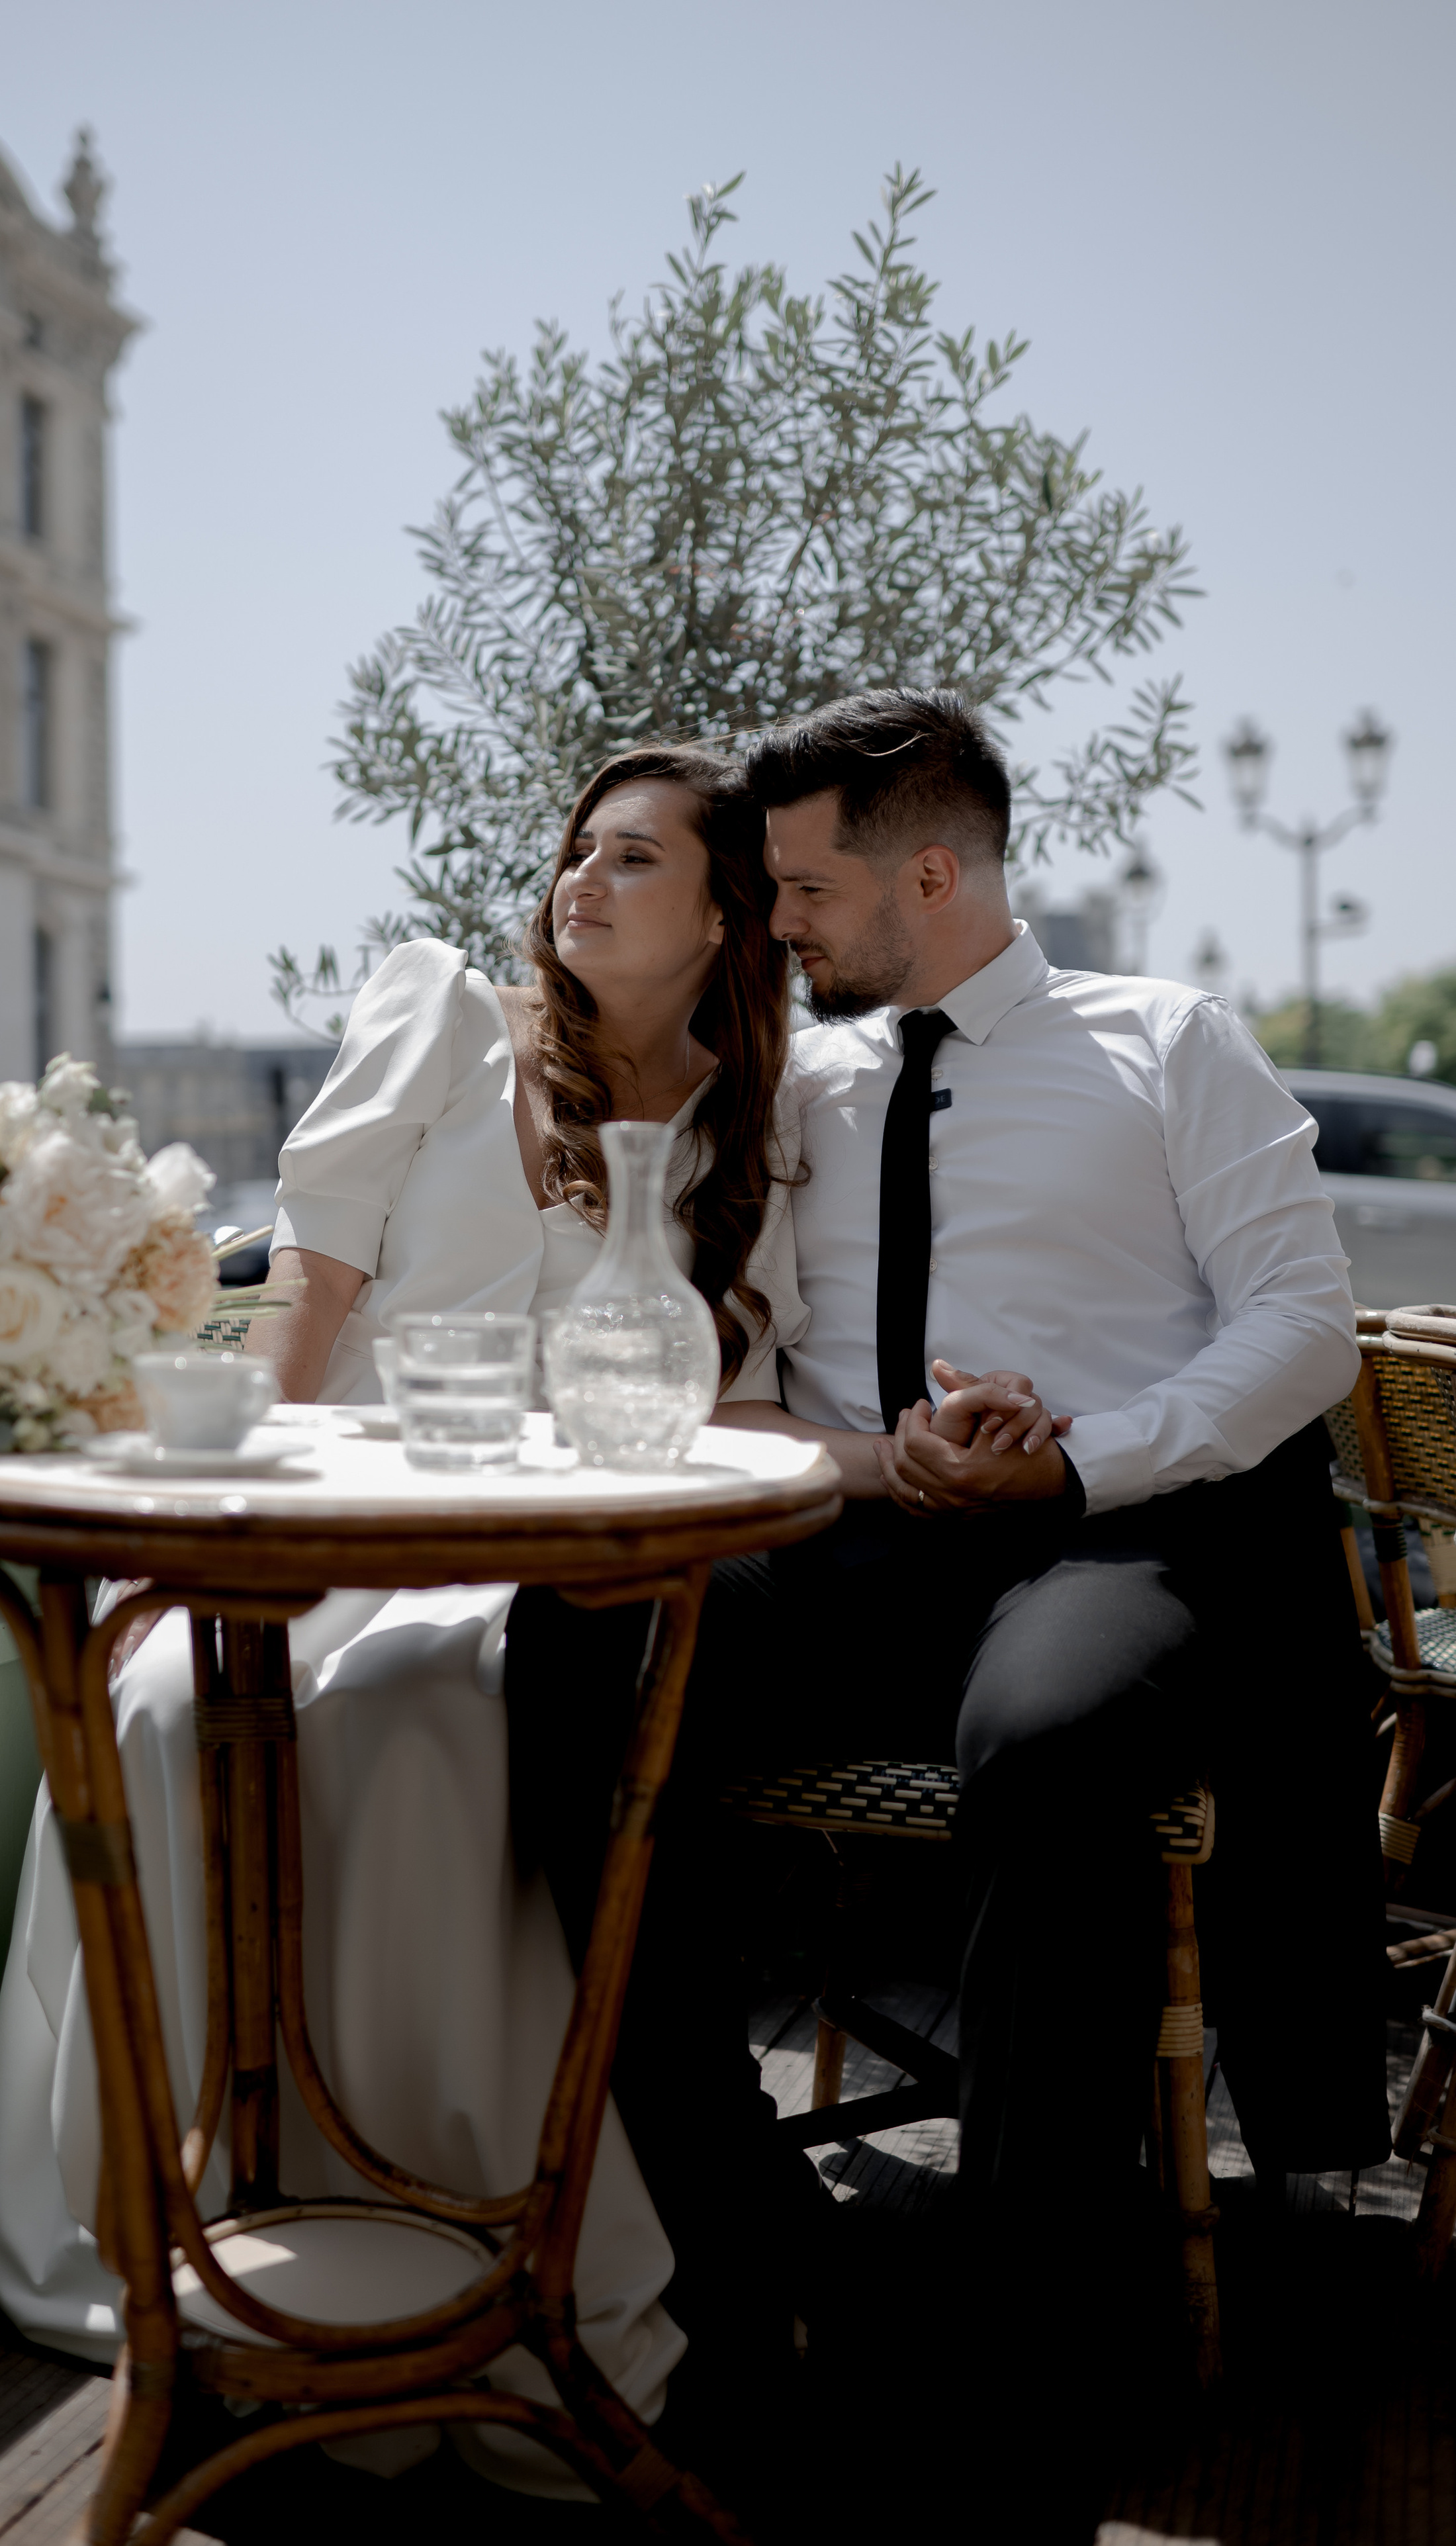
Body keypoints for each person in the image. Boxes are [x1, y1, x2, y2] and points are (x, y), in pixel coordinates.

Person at [504, 688, 1387, 2529]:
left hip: (1103, 1542)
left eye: (807, 888)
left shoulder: (1166, 1044)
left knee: (1051, 1743)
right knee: (579, 1642)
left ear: (929, 871)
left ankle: (1026, 2340)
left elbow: (1302, 1326)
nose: (778, 922)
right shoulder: (796, 1080)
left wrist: (1077, 1461)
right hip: (855, 1545)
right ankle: (749, 2237)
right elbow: (720, 1342)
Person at [0, 743, 872, 2495]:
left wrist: (900, 1457)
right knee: (170, 1709)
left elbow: (730, 1414)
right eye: (578, 851)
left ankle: (493, 2227)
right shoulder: (444, 1016)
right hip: (338, 1513)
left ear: (722, 918)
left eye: (634, 860)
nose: (580, 882)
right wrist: (237, 1529)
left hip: (567, 1559)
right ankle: (225, 2215)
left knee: (454, 1721)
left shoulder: (755, 1134)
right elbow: (309, 1303)